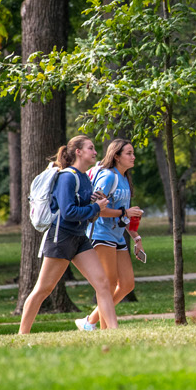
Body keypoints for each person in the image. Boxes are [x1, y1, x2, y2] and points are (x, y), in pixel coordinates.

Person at [19, 135, 119, 335]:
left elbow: (86, 213)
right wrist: (94, 207)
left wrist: (97, 205)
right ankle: (22, 334)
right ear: (78, 152)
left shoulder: (84, 178)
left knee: (102, 283)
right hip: (61, 237)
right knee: (43, 290)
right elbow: (68, 212)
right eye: (91, 148)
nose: (95, 152)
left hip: (80, 238)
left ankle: (114, 332)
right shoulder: (67, 177)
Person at [76, 139, 145, 331]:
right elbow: (97, 209)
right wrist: (124, 212)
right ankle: (106, 331)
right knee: (108, 284)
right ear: (116, 156)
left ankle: (89, 321)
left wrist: (136, 238)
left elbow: (125, 214)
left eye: (133, 153)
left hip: (117, 235)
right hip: (100, 233)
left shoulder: (124, 179)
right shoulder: (108, 177)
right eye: (129, 153)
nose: (133, 157)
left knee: (127, 284)